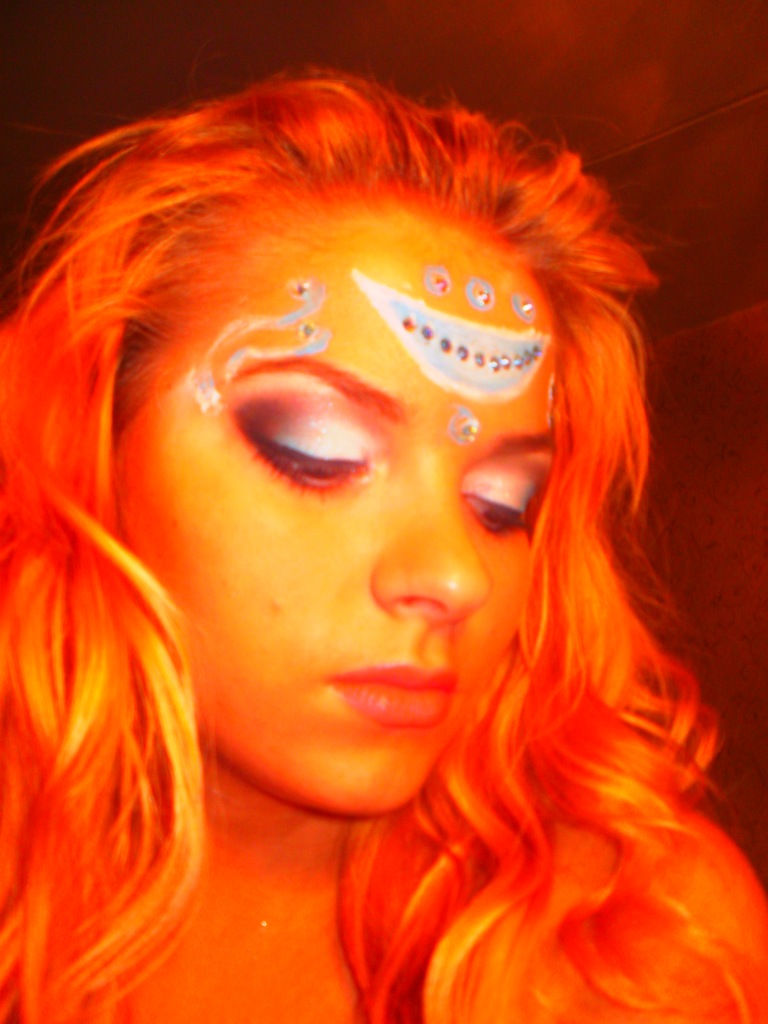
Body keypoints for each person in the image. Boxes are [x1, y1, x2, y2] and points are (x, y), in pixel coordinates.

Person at [0, 70, 766, 1024]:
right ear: (96, 455)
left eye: (503, 503)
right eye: (316, 453)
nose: (456, 576)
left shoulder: (654, 941)